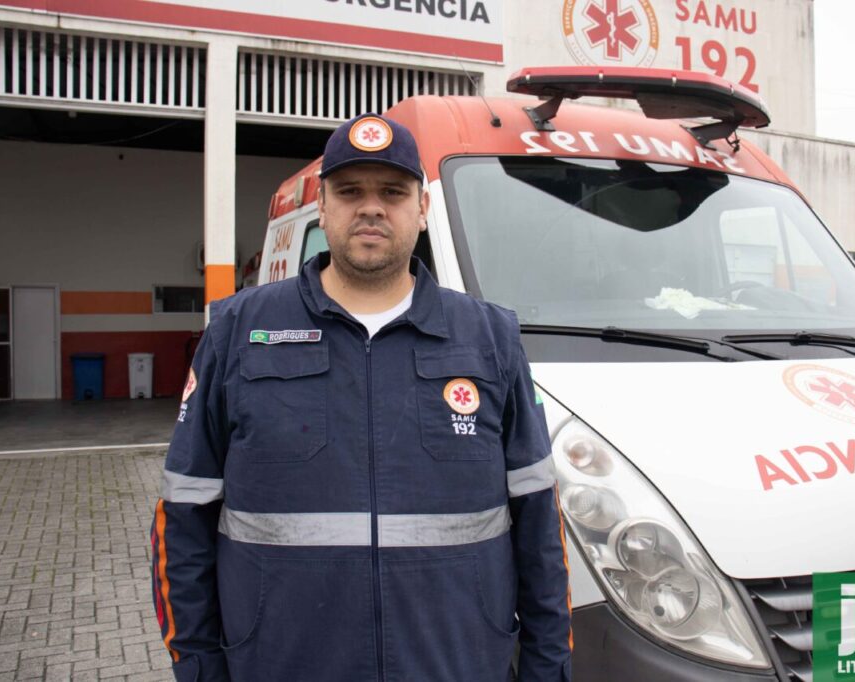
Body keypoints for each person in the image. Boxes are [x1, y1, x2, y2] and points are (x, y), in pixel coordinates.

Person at [150, 112, 572, 681]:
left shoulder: (489, 337)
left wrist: (548, 667)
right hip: (281, 664)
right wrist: (199, 666)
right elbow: (185, 509)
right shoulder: (239, 329)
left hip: (456, 664)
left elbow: (538, 519)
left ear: (422, 210)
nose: (370, 207)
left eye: (393, 192)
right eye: (349, 191)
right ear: (322, 208)